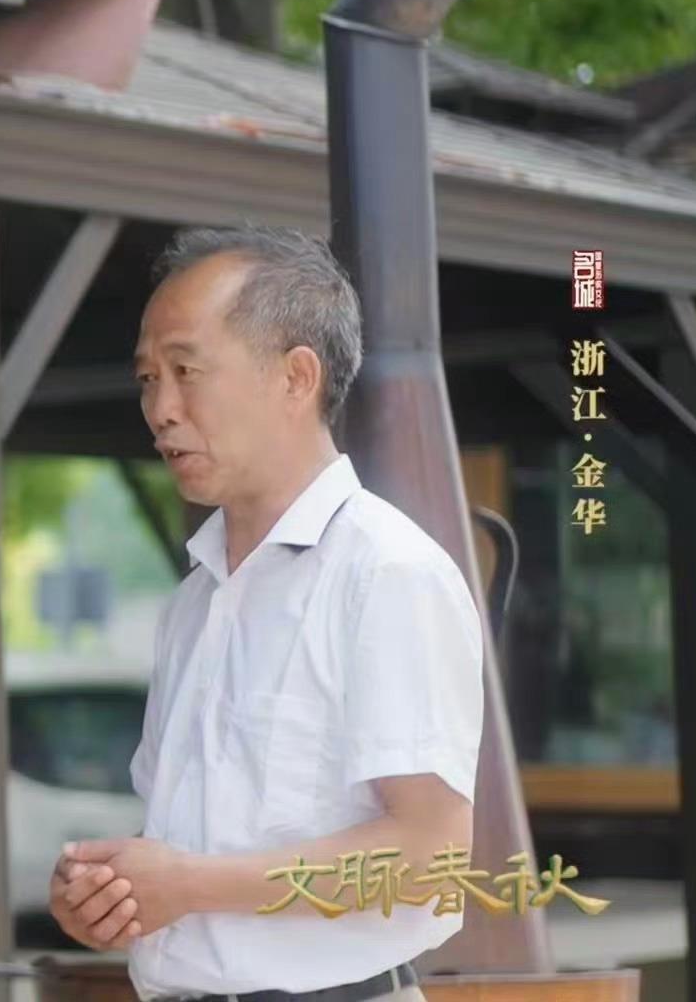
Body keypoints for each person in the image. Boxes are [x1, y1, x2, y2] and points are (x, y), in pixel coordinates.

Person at [48, 227, 484, 1002]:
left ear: (295, 377)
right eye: (148, 378)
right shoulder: (194, 600)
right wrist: (114, 896)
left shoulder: (385, 572)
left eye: (186, 370)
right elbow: (187, 848)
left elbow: (428, 854)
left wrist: (189, 885)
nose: (160, 409)